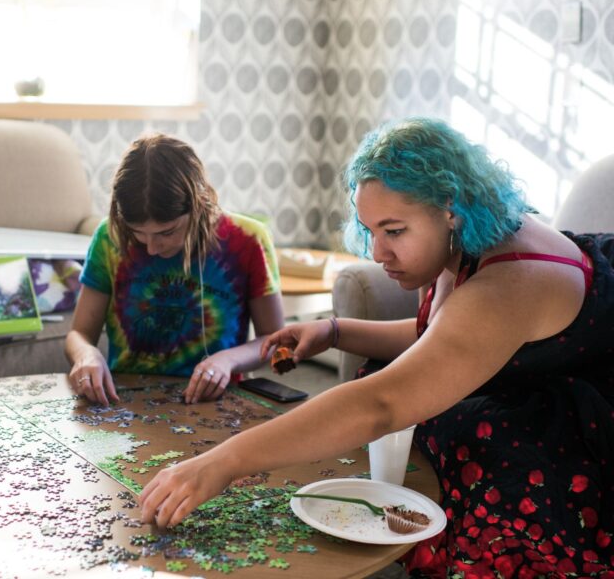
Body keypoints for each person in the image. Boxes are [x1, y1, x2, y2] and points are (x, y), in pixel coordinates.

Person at [138, 118, 613, 577]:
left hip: (581, 430)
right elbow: (441, 337)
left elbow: (385, 403)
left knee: (456, 425)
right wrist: (333, 331)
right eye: (371, 231)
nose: (378, 253)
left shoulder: (508, 284)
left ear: (450, 207)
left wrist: (222, 461)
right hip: (533, 374)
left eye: (394, 231)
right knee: (384, 376)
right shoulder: (469, 235)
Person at [65, 134, 284, 406]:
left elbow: (275, 342)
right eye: (138, 234)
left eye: (166, 232)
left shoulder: (248, 240)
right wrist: (86, 354)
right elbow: (79, 334)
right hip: (124, 402)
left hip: (214, 403)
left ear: (199, 203)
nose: (152, 248)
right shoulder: (108, 237)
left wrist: (228, 360)